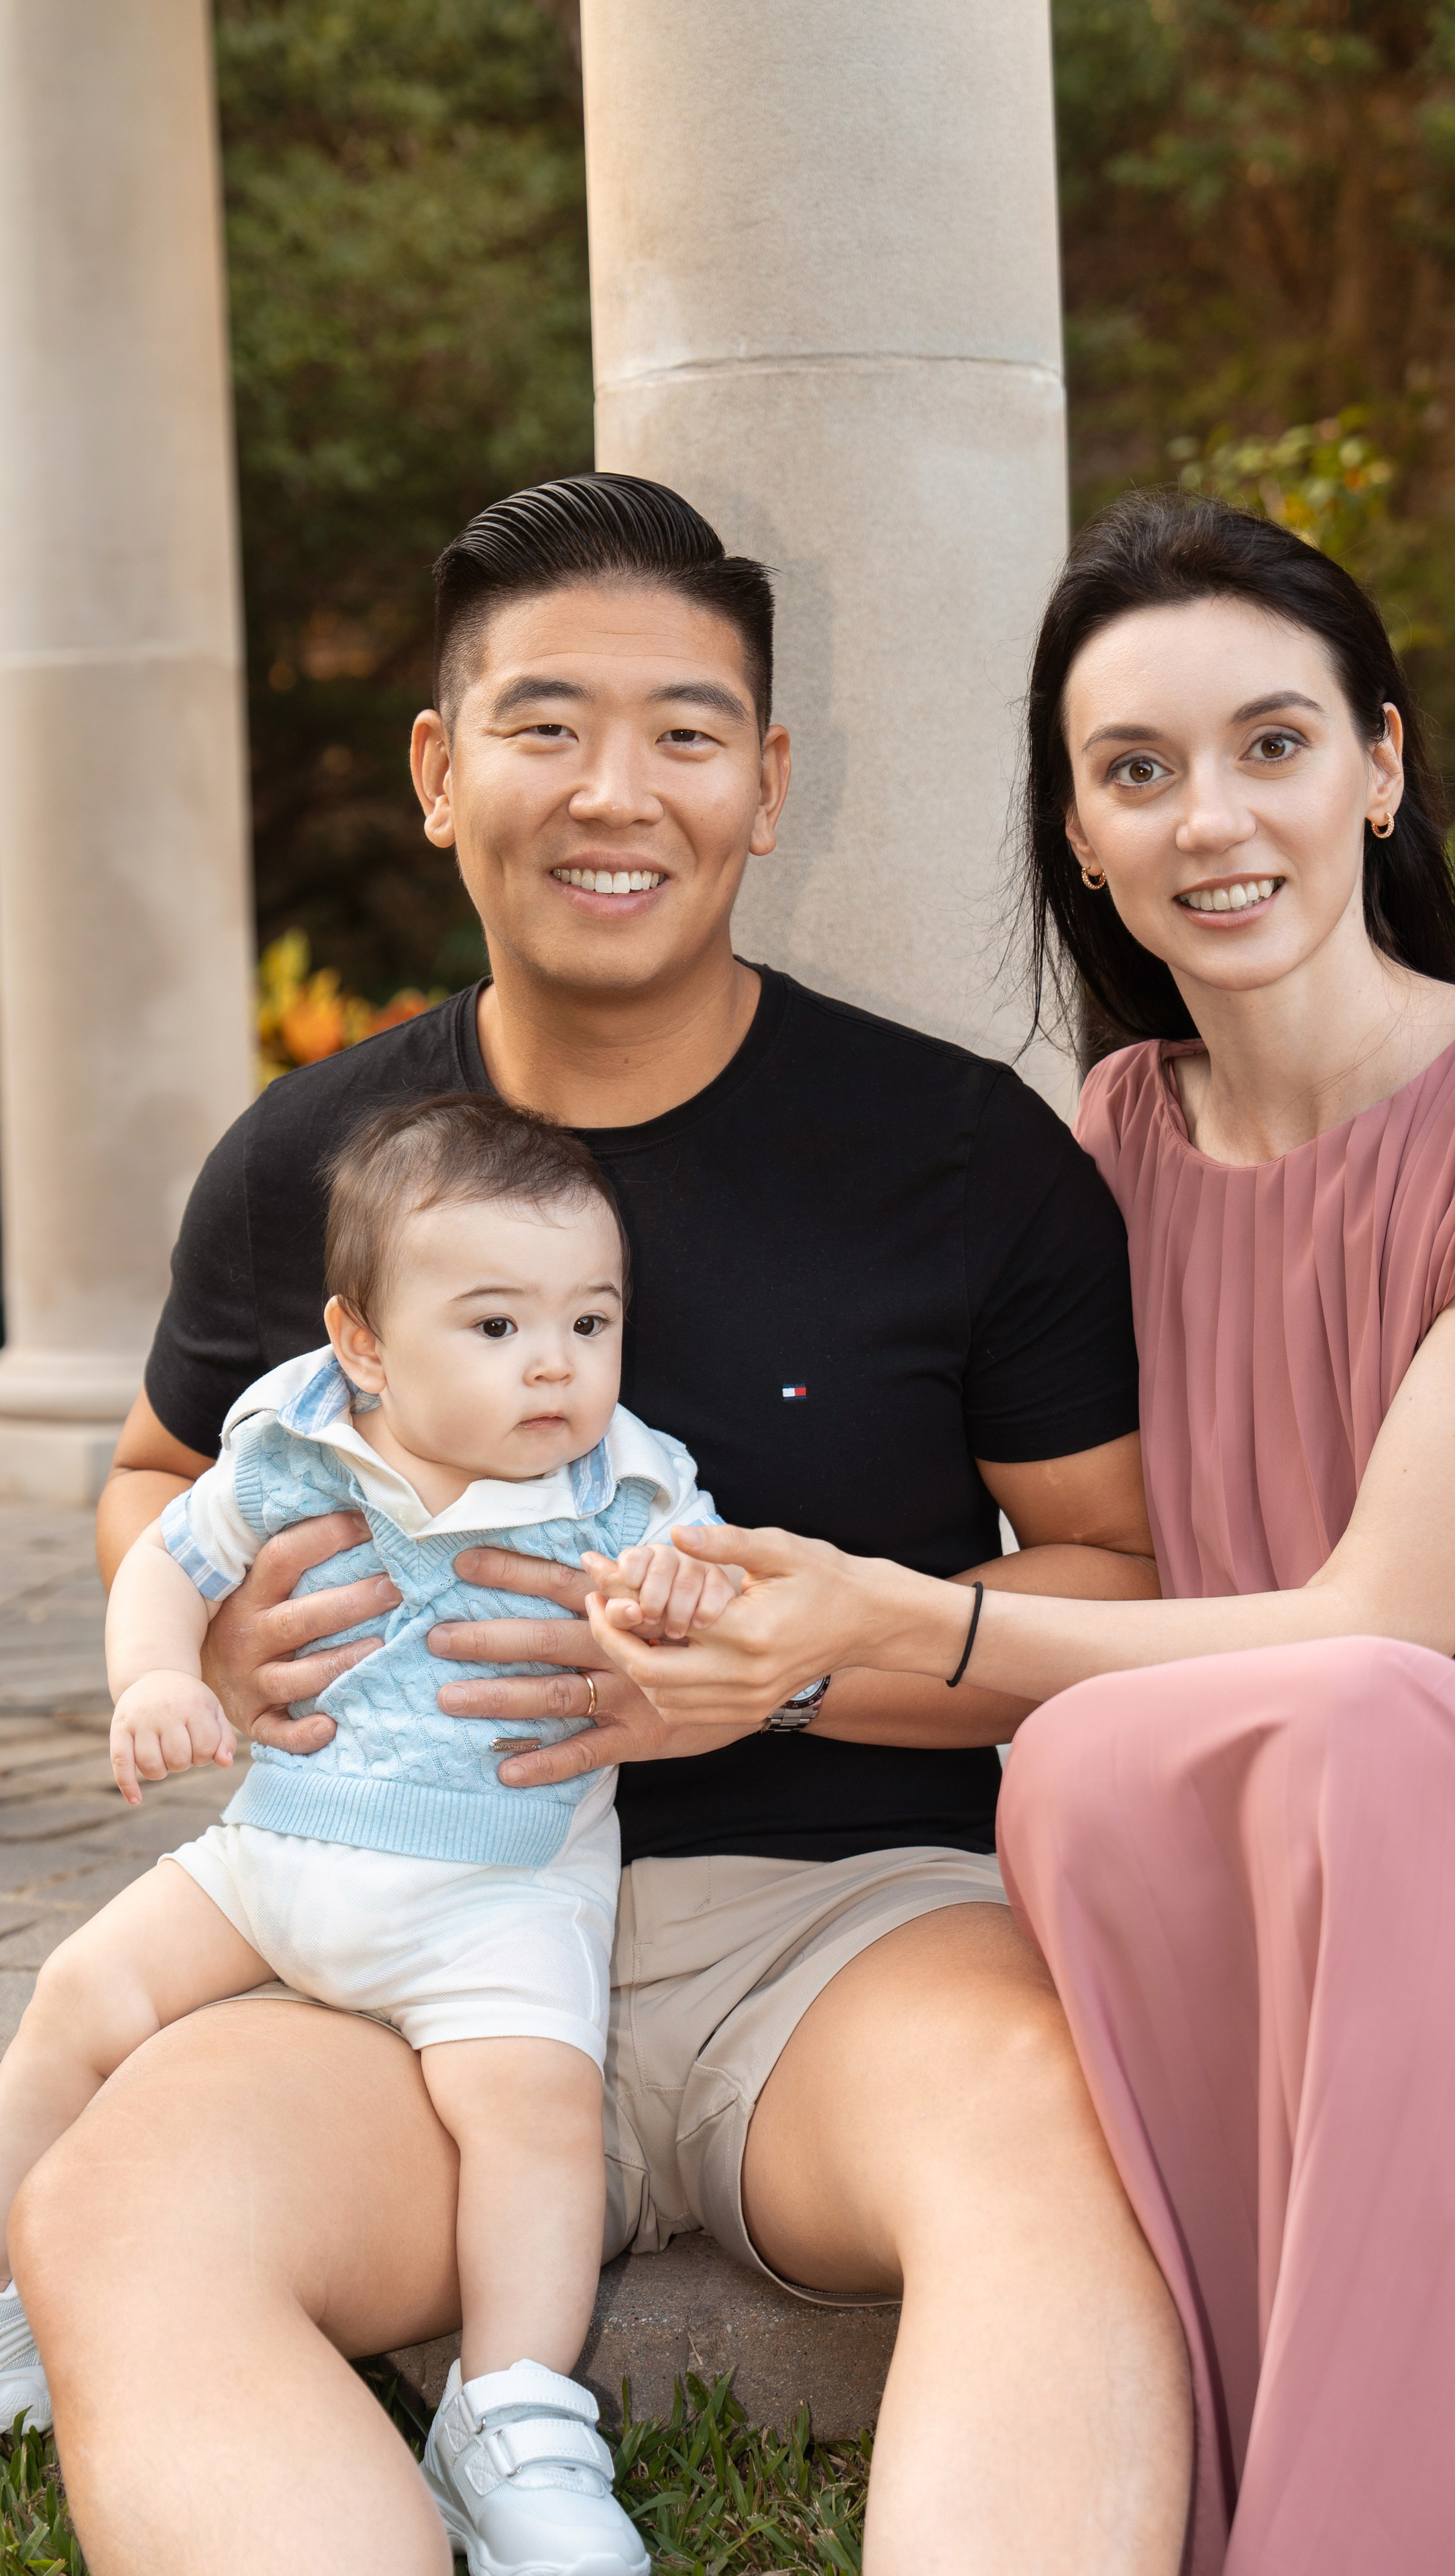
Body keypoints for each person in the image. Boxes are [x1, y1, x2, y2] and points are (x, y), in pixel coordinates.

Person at [13, 474, 1193, 2576]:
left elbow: (1120, 1568)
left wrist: (823, 1652)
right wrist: (193, 1632)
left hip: (837, 1936)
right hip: (383, 1945)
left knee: (1063, 2147)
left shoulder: (955, 1154)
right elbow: (152, 1484)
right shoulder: (315, 1161)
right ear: (441, 773)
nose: (610, 791)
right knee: (121, 2203)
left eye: (683, 729)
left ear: (767, 782)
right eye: (544, 724)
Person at [576, 492, 1455, 2573]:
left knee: (1344, 1719)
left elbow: (1379, 1625)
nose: (1215, 820)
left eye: (1274, 744)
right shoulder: (1111, 1146)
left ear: (1382, 765)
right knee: (1101, 1762)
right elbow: (1108, 1602)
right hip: (1275, 1874)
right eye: (1138, 771)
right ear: (1080, 835)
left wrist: (889, 1626)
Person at [0, 1091, 745, 2576]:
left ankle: (514, 2415)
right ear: (362, 1344)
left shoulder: (629, 1491)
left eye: (589, 1324)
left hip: (494, 1894)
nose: (554, 1364)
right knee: (81, 1995)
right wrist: (157, 1670)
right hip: (279, 1855)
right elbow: (169, 1554)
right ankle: (14, 2290)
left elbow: (719, 1602)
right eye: (494, 1327)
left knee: (530, 2120)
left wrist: (683, 1603)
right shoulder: (297, 1444)